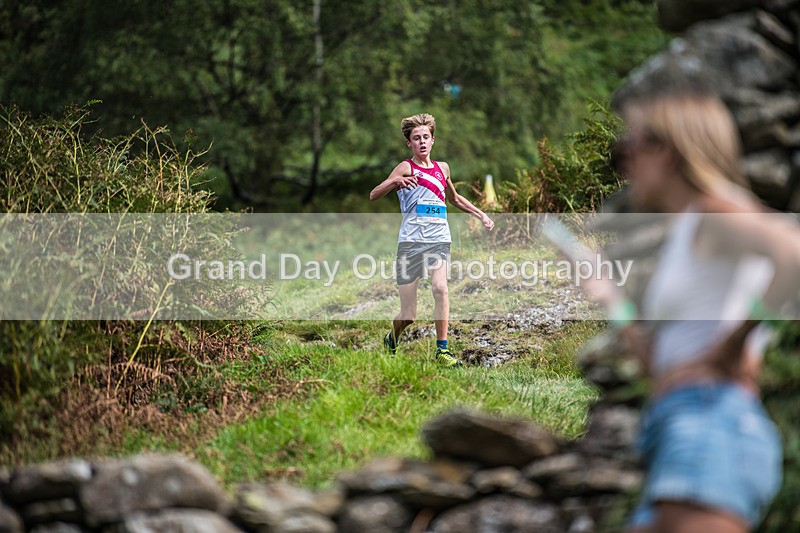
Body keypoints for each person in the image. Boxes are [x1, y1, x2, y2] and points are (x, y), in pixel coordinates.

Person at [593, 86, 800, 532]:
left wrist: (733, 345)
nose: (625, 162)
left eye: (629, 146)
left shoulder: (713, 208)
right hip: (684, 425)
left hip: (711, 425)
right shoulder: (691, 226)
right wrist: (610, 300)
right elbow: (662, 370)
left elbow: (794, 253)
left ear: (667, 150)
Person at [370, 113, 494, 367]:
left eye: (426, 137)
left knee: (440, 288)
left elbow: (455, 199)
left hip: (439, 240)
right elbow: (374, 195)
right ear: (409, 144)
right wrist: (395, 181)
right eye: (416, 138)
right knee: (409, 315)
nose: (422, 142)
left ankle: (442, 351)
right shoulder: (406, 167)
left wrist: (482, 215)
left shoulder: (443, 168)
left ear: (433, 140)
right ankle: (391, 338)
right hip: (410, 243)